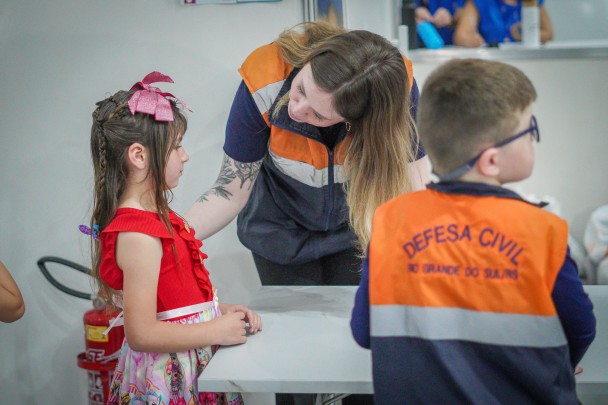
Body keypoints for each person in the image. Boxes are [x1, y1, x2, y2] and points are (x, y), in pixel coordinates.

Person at [350, 58, 596, 404]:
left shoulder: (390, 220)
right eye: (530, 130)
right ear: (491, 160)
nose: (533, 140)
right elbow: (581, 327)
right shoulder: (541, 230)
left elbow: (364, 332)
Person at [185, 21, 429, 287]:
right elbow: (229, 192)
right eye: (301, 89)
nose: (296, 110)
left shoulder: (392, 92)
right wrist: (169, 238)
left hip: (353, 229)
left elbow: (413, 183)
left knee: (347, 320)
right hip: (278, 232)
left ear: (357, 119)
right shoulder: (266, 77)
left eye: (318, 114)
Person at [87, 71, 262, 405]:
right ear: (139, 156)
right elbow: (142, 333)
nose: (185, 156)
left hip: (190, 360)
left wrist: (219, 312)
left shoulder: (156, 220)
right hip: (168, 377)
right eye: (177, 147)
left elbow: (173, 305)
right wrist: (214, 331)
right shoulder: (138, 234)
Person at [454, 0, 553, 47]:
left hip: (526, 59)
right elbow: (461, 36)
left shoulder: (531, 2)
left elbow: (548, 33)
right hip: (492, 63)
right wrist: (472, 40)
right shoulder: (480, 2)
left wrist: (523, 34)